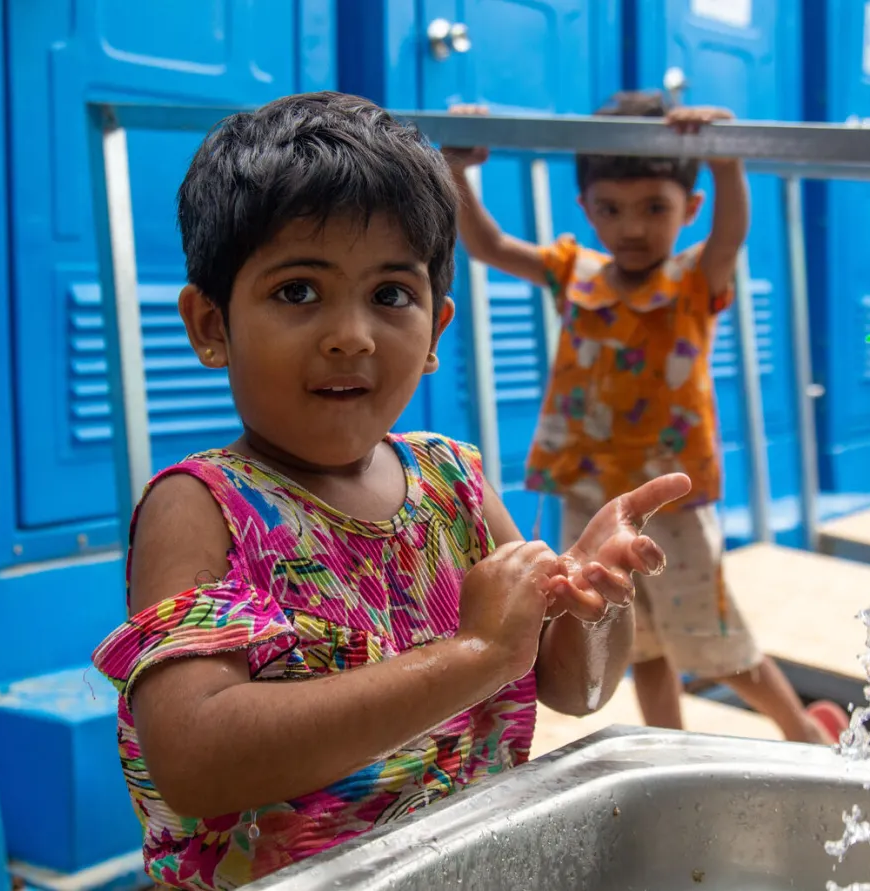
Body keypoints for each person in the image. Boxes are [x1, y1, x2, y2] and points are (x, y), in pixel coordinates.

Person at [89, 91, 693, 891]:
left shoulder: (455, 482)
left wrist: (596, 597)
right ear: (210, 325)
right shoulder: (203, 508)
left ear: (437, 330)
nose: (352, 334)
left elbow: (573, 688)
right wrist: (472, 652)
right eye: (298, 290)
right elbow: (196, 756)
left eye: (390, 295)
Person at [441, 91, 847, 745]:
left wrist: (723, 158)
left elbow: (733, 232)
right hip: (588, 489)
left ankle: (805, 734)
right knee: (640, 639)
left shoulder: (695, 279)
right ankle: (673, 753)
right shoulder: (576, 273)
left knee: (716, 638)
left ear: (689, 209)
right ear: (586, 210)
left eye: (653, 208)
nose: (631, 227)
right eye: (611, 209)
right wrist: (457, 169)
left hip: (671, 500)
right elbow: (486, 245)